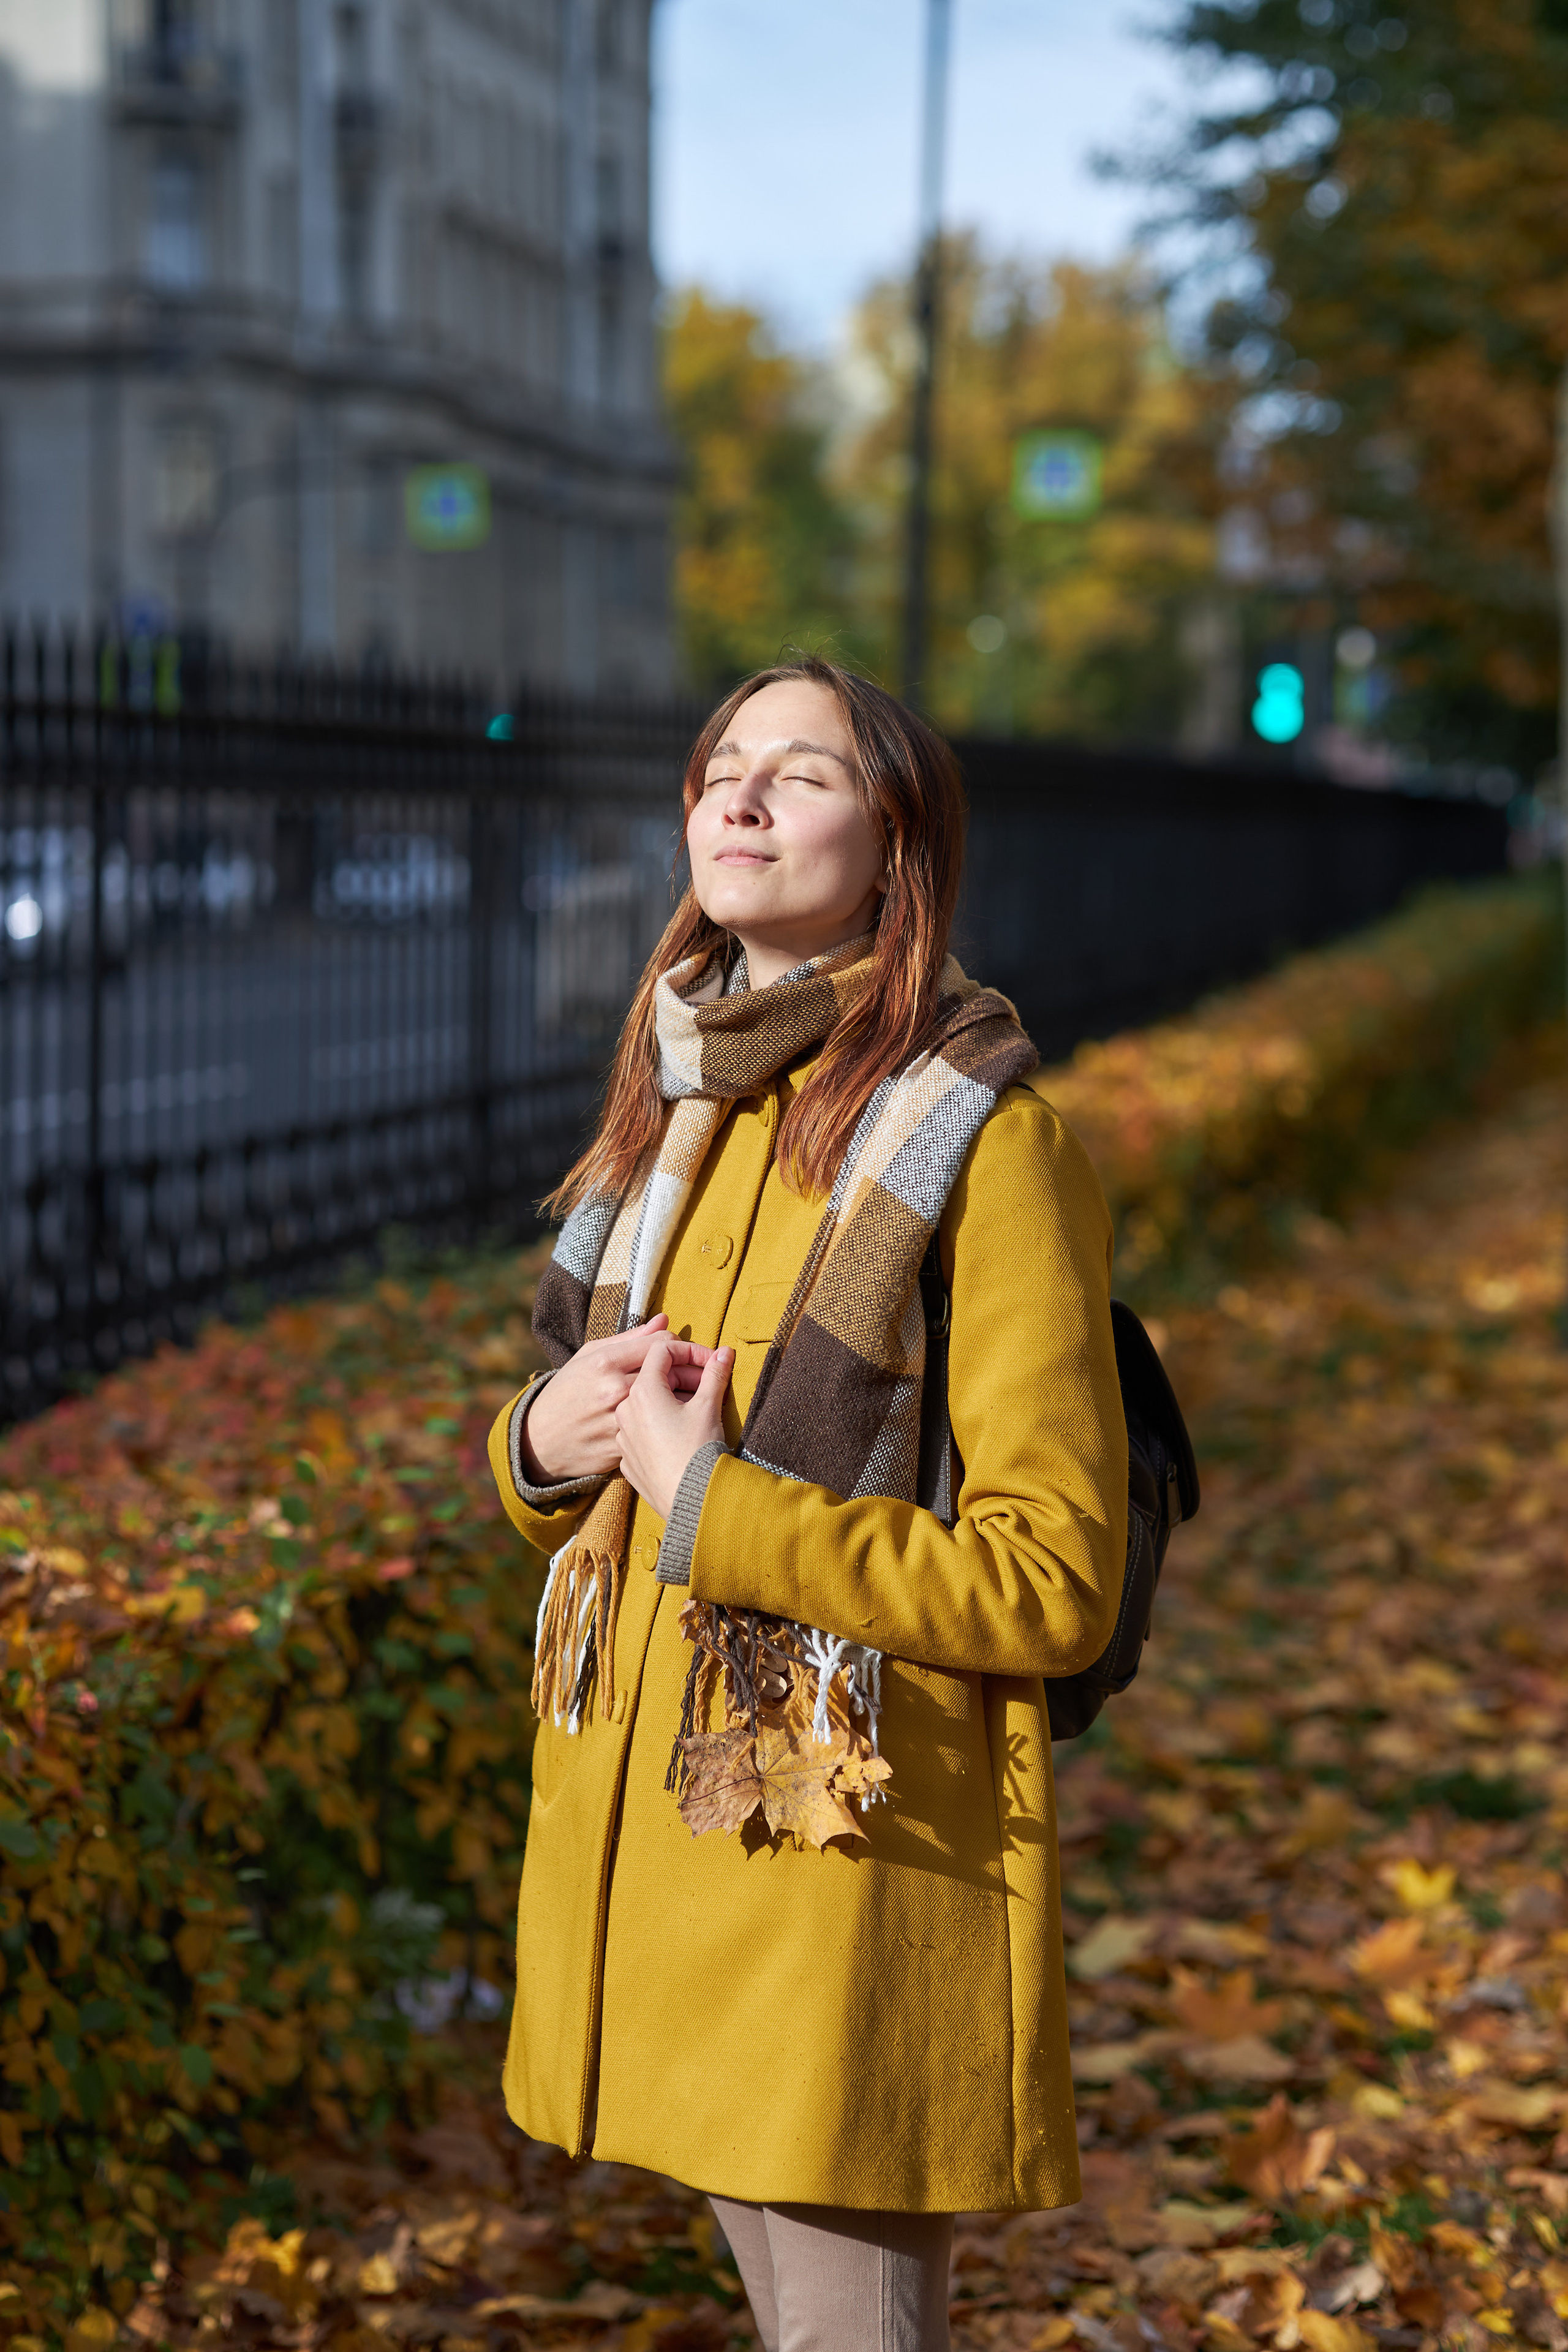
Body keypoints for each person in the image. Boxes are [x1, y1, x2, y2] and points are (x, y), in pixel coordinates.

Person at [486, 656, 1128, 2352]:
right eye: (720, 767)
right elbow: (594, 1464)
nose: (740, 798)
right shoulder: (666, 1129)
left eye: (803, 774)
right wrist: (548, 1438)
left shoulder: (988, 1151)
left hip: (850, 1866)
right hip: (685, 1845)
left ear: (900, 849)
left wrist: (717, 1508)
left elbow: (1053, 1578)